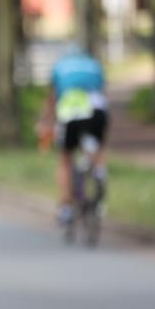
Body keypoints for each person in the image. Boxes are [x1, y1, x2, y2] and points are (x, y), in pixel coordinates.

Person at [40, 47, 109, 224]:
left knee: (65, 159)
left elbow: (52, 99)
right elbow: (102, 91)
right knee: (96, 147)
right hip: (97, 109)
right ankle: (99, 171)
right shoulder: (94, 65)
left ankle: (66, 208)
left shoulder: (60, 67)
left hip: (70, 111)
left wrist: (46, 123)